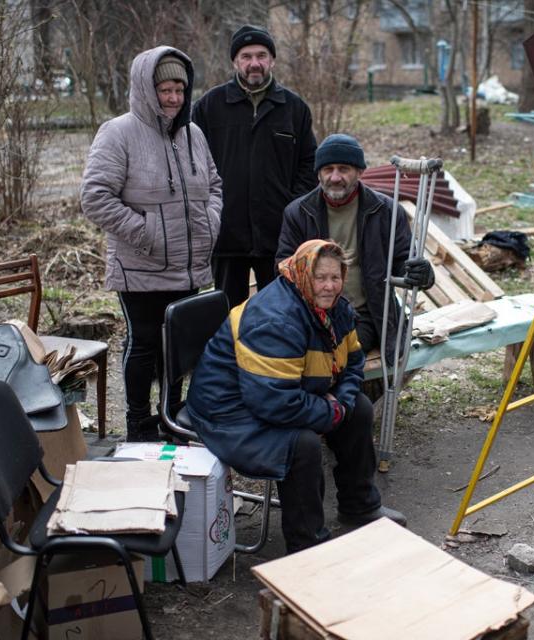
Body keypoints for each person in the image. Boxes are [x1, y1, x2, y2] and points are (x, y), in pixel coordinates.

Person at [186, 239, 406, 554]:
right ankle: (307, 545)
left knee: (357, 409)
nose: (330, 286)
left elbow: (352, 363)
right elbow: (274, 402)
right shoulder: (275, 319)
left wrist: (340, 405)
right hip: (229, 408)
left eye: (336, 277)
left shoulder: (335, 309)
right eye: (321, 278)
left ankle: (360, 507)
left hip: (284, 391)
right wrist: (329, 412)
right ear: (303, 275)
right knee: (300, 445)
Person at [81, 46, 222, 442]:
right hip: (141, 266)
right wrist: (148, 233)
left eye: (180, 88)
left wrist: (210, 222)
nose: (174, 97)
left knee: (177, 348)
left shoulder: (193, 133)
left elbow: (214, 186)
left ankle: (171, 419)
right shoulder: (118, 132)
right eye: (165, 89)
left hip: (188, 265)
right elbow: (95, 196)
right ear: (146, 88)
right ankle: (140, 426)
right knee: (144, 345)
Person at [276, 134, 435, 361]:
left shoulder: (386, 211)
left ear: (360, 172)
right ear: (318, 173)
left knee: (340, 356)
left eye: (344, 169)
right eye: (328, 169)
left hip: (363, 315)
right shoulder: (298, 213)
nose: (335, 177)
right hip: (312, 313)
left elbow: (402, 259)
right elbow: (283, 267)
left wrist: (421, 273)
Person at [193, 24, 318, 308]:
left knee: (279, 313)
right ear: (235, 61)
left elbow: (309, 164)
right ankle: (230, 355)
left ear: (272, 60)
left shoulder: (293, 108)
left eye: (261, 55)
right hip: (226, 235)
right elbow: (190, 161)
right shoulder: (210, 106)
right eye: (246, 56)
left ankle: (275, 355)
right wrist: (209, 209)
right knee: (226, 316)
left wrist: (290, 207)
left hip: (278, 237)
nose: (254, 63)